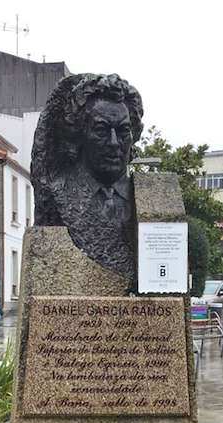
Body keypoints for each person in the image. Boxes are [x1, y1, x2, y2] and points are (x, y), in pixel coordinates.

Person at [31, 74, 144, 277]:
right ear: (78, 133)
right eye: (101, 130)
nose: (113, 142)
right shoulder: (58, 195)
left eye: (123, 131)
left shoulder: (145, 199)